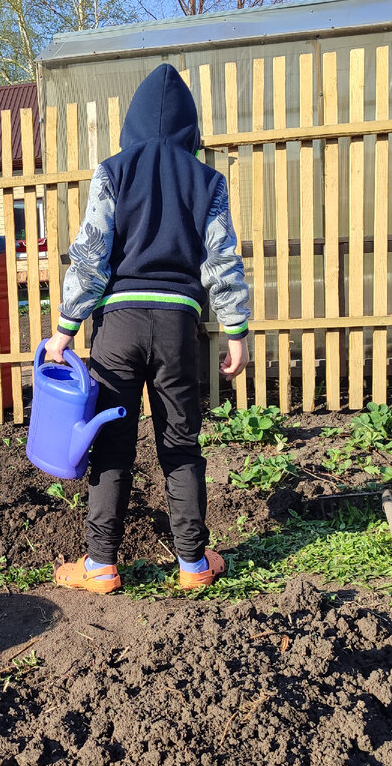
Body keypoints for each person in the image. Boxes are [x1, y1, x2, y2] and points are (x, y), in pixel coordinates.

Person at [43, 63, 251, 595]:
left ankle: (100, 566)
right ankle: (192, 565)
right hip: (180, 326)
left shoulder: (113, 171)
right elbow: (221, 261)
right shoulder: (208, 181)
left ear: (131, 126)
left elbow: (91, 253)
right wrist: (237, 330)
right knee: (180, 440)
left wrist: (65, 328)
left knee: (112, 441)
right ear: (191, 131)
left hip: (119, 324)